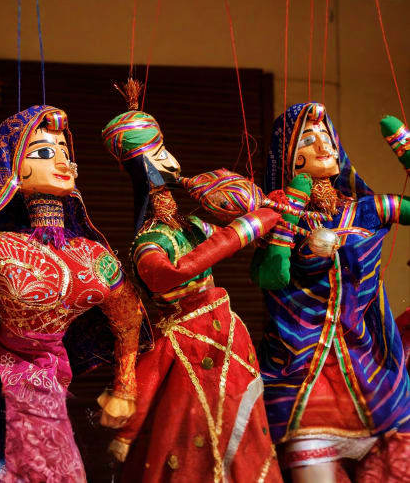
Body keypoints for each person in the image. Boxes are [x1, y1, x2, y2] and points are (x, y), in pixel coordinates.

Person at [0, 105, 144, 482]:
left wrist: (125, 387)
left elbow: (129, 319)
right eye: (44, 152)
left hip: (56, 383)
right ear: (13, 166)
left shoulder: (93, 255)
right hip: (0, 389)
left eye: (65, 152)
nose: (63, 162)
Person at [101, 83, 283, 483]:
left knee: (244, 438)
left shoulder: (190, 226)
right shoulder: (150, 241)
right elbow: (171, 273)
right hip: (190, 344)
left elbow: (235, 235)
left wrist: (268, 213)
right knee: (191, 443)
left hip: (227, 337)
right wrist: (247, 227)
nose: (171, 160)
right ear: (142, 165)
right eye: (158, 154)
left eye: (165, 148)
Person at [253, 102, 410, 482]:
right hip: (303, 374)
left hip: (374, 374)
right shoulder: (275, 216)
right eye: (308, 140)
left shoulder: (368, 210)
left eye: (327, 137)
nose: (324, 146)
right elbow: (271, 276)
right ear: (288, 158)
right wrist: (292, 207)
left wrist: (406, 149)